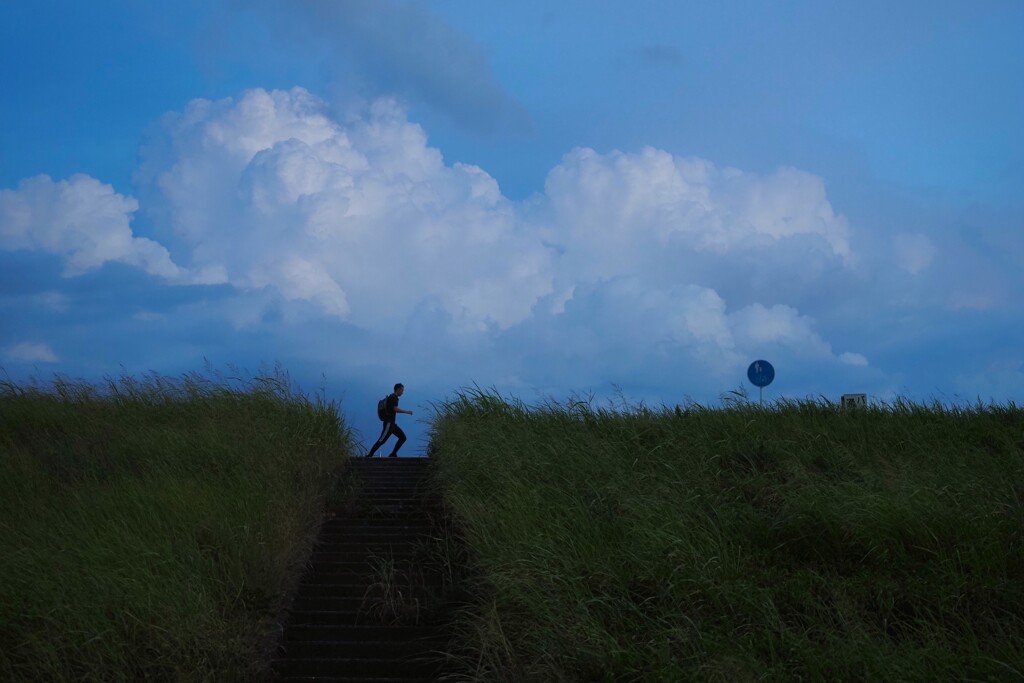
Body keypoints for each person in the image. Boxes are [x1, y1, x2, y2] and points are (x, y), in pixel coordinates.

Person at [366, 383, 413, 458]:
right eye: (402, 390)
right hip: (388, 423)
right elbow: (395, 409)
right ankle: (370, 455)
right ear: (397, 389)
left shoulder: (393, 397)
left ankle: (393, 454)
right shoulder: (393, 397)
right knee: (382, 440)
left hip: (392, 424)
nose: (403, 392)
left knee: (403, 437)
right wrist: (406, 412)